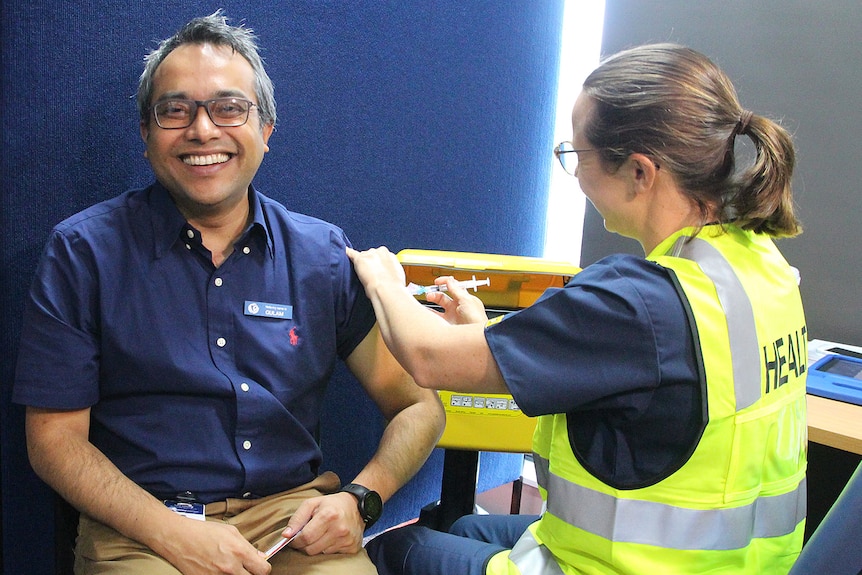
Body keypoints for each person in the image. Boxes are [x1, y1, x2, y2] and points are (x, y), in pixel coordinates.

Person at [348, 44, 807, 574]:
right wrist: (489, 334)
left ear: (639, 171)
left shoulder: (636, 301)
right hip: (741, 561)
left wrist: (384, 281)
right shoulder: (758, 264)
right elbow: (643, 376)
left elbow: (430, 359)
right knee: (463, 526)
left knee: (397, 550)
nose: (578, 176)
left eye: (577, 157)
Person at [13, 11, 444, 575]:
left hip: (291, 523)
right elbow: (52, 440)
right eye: (175, 110)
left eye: (229, 107)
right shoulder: (83, 252)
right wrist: (175, 536)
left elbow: (419, 406)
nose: (202, 130)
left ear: (265, 130)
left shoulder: (321, 256)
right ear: (146, 134)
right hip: (143, 526)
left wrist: (363, 498)